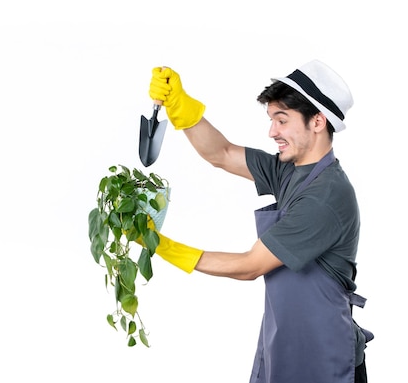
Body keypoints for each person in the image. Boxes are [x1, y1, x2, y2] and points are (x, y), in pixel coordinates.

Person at [142, 60, 373, 383]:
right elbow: (220, 153)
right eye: (271, 120)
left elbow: (250, 266)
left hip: (326, 356)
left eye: (282, 120)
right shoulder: (289, 170)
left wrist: (163, 248)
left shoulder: (326, 195)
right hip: (286, 345)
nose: (272, 132)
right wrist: (181, 106)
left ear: (317, 121)